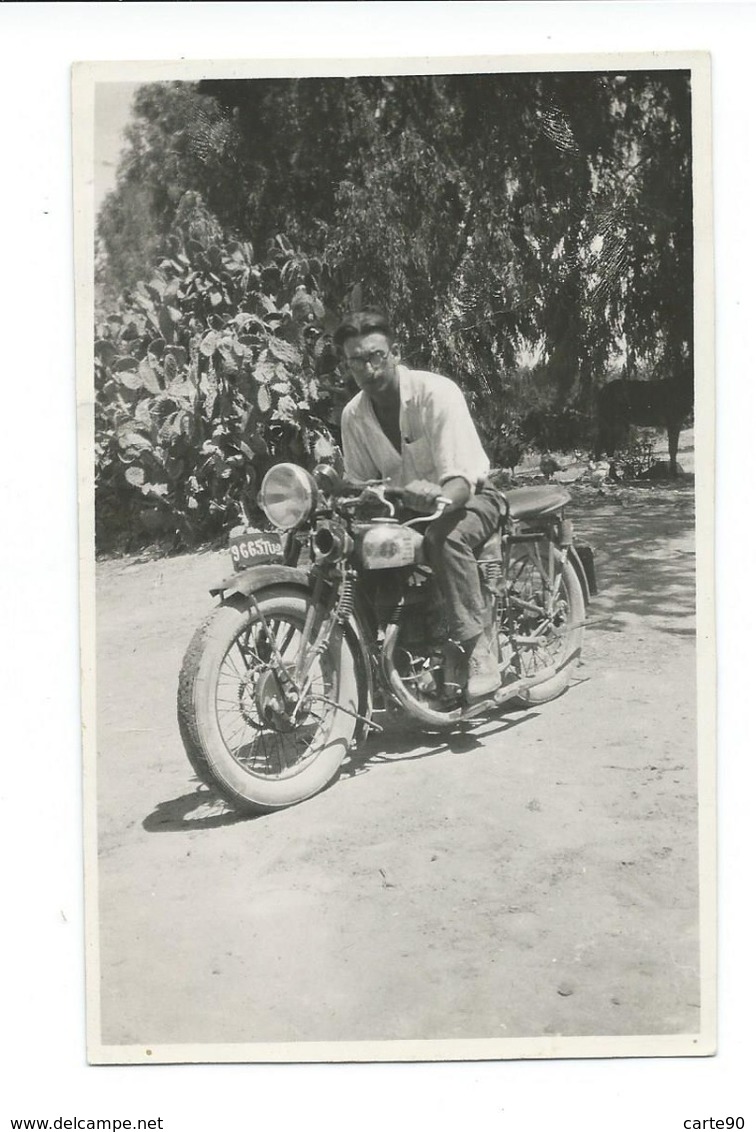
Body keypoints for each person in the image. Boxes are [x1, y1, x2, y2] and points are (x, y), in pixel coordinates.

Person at [334, 308, 503, 701]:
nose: (368, 368)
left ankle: (478, 650)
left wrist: (436, 495)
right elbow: (362, 486)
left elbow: (462, 477)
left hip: (472, 498)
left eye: (376, 355)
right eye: (356, 361)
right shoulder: (353, 416)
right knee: (355, 553)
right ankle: (391, 656)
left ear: (395, 352)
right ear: (347, 366)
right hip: (406, 513)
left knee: (444, 538)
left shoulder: (436, 393)